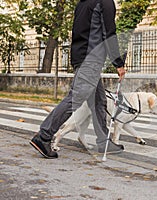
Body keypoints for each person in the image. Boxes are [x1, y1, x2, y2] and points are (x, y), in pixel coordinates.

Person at [30, 0, 126, 158]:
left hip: (82, 56)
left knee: (98, 101)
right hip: (91, 59)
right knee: (75, 98)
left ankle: (103, 141)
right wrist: (118, 63)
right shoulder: (105, 2)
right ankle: (43, 136)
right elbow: (109, 33)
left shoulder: (83, 3)